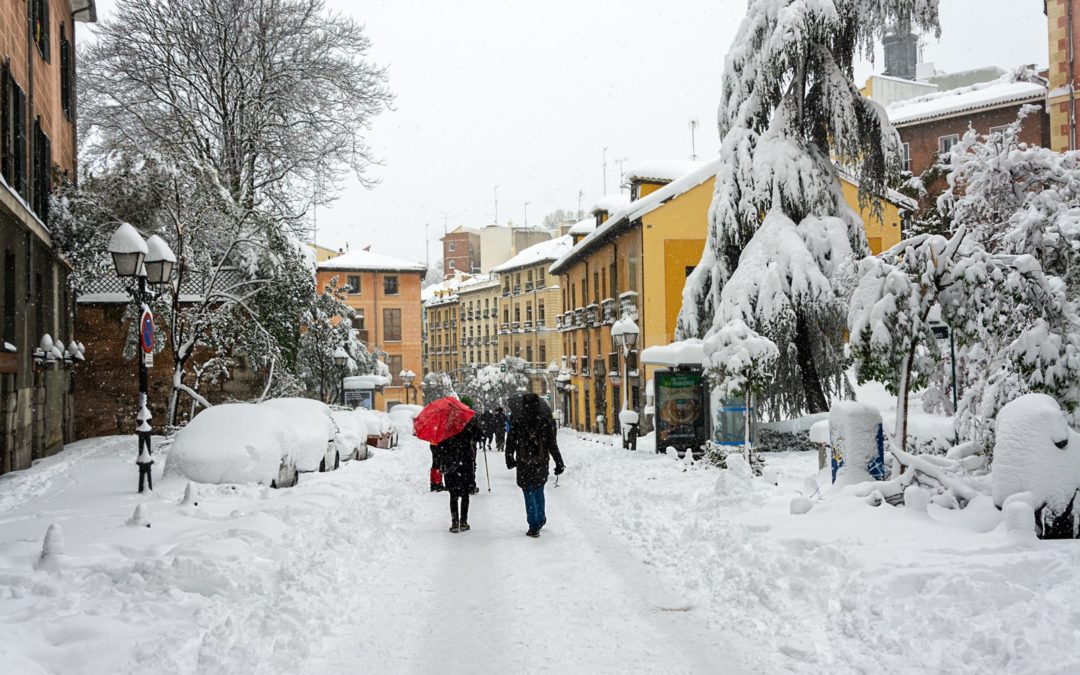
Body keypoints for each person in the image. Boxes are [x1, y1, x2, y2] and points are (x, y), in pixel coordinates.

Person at [505, 393, 564, 538]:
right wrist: (559, 462)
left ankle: (533, 524)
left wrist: (509, 458)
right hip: (541, 461)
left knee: (528, 491)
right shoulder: (544, 421)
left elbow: (511, 442)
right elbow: (552, 443)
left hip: (523, 462)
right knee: (538, 489)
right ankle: (540, 517)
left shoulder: (518, 421)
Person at [434, 417, 482, 533]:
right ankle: (464, 521)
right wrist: (472, 426)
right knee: (465, 495)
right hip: (464, 465)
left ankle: (455, 522)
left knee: (453, 496)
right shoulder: (466, 428)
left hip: (451, 467)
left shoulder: (445, 430)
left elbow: (439, 448)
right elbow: (480, 436)